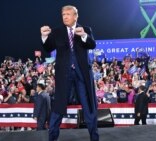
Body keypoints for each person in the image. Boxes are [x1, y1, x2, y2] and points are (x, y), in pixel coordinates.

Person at [40, 5, 99, 141]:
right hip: (63, 76)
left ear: (75, 16)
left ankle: (94, 138)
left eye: (68, 14)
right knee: (58, 107)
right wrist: (44, 36)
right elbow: (48, 47)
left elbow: (92, 45)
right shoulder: (57, 32)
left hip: (82, 76)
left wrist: (83, 35)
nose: (65, 17)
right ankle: (52, 138)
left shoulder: (85, 30)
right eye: (63, 14)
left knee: (89, 108)